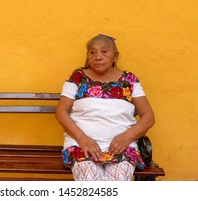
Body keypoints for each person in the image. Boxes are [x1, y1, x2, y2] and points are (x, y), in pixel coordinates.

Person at [55, 34, 155, 181]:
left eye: (104, 51)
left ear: (115, 56)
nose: (98, 57)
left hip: (122, 147)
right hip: (82, 146)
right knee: (90, 180)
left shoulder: (129, 80)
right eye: (92, 52)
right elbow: (61, 112)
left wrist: (126, 137)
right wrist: (83, 139)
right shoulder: (77, 77)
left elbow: (148, 117)